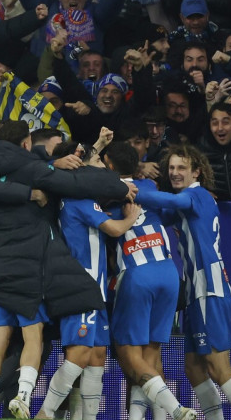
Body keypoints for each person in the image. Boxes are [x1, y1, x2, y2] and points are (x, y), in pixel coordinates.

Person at [0, 120, 133, 419]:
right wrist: (121, 186)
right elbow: (75, 182)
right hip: (27, 269)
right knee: (34, 337)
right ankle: (22, 397)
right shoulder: (37, 172)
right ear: (24, 144)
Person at [135, 144, 231, 420]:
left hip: (209, 289)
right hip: (193, 293)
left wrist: (129, 188)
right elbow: (153, 214)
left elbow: (171, 202)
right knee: (192, 367)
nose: (176, 173)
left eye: (182, 168)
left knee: (217, 366)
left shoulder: (197, 195)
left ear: (196, 172)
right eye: (172, 168)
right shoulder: (183, 202)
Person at [37, 142, 142, 420]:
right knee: (79, 354)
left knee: (97, 356)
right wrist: (130, 218)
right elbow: (115, 229)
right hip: (82, 286)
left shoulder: (82, 200)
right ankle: (45, 414)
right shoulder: (80, 201)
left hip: (96, 289)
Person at [98, 142, 192, 420]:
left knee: (128, 356)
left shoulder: (103, 195)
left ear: (111, 166)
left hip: (137, 275)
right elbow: (170, 211)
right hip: (169, 274)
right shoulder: (150, 189)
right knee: (151, 358)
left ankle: (175, 409)